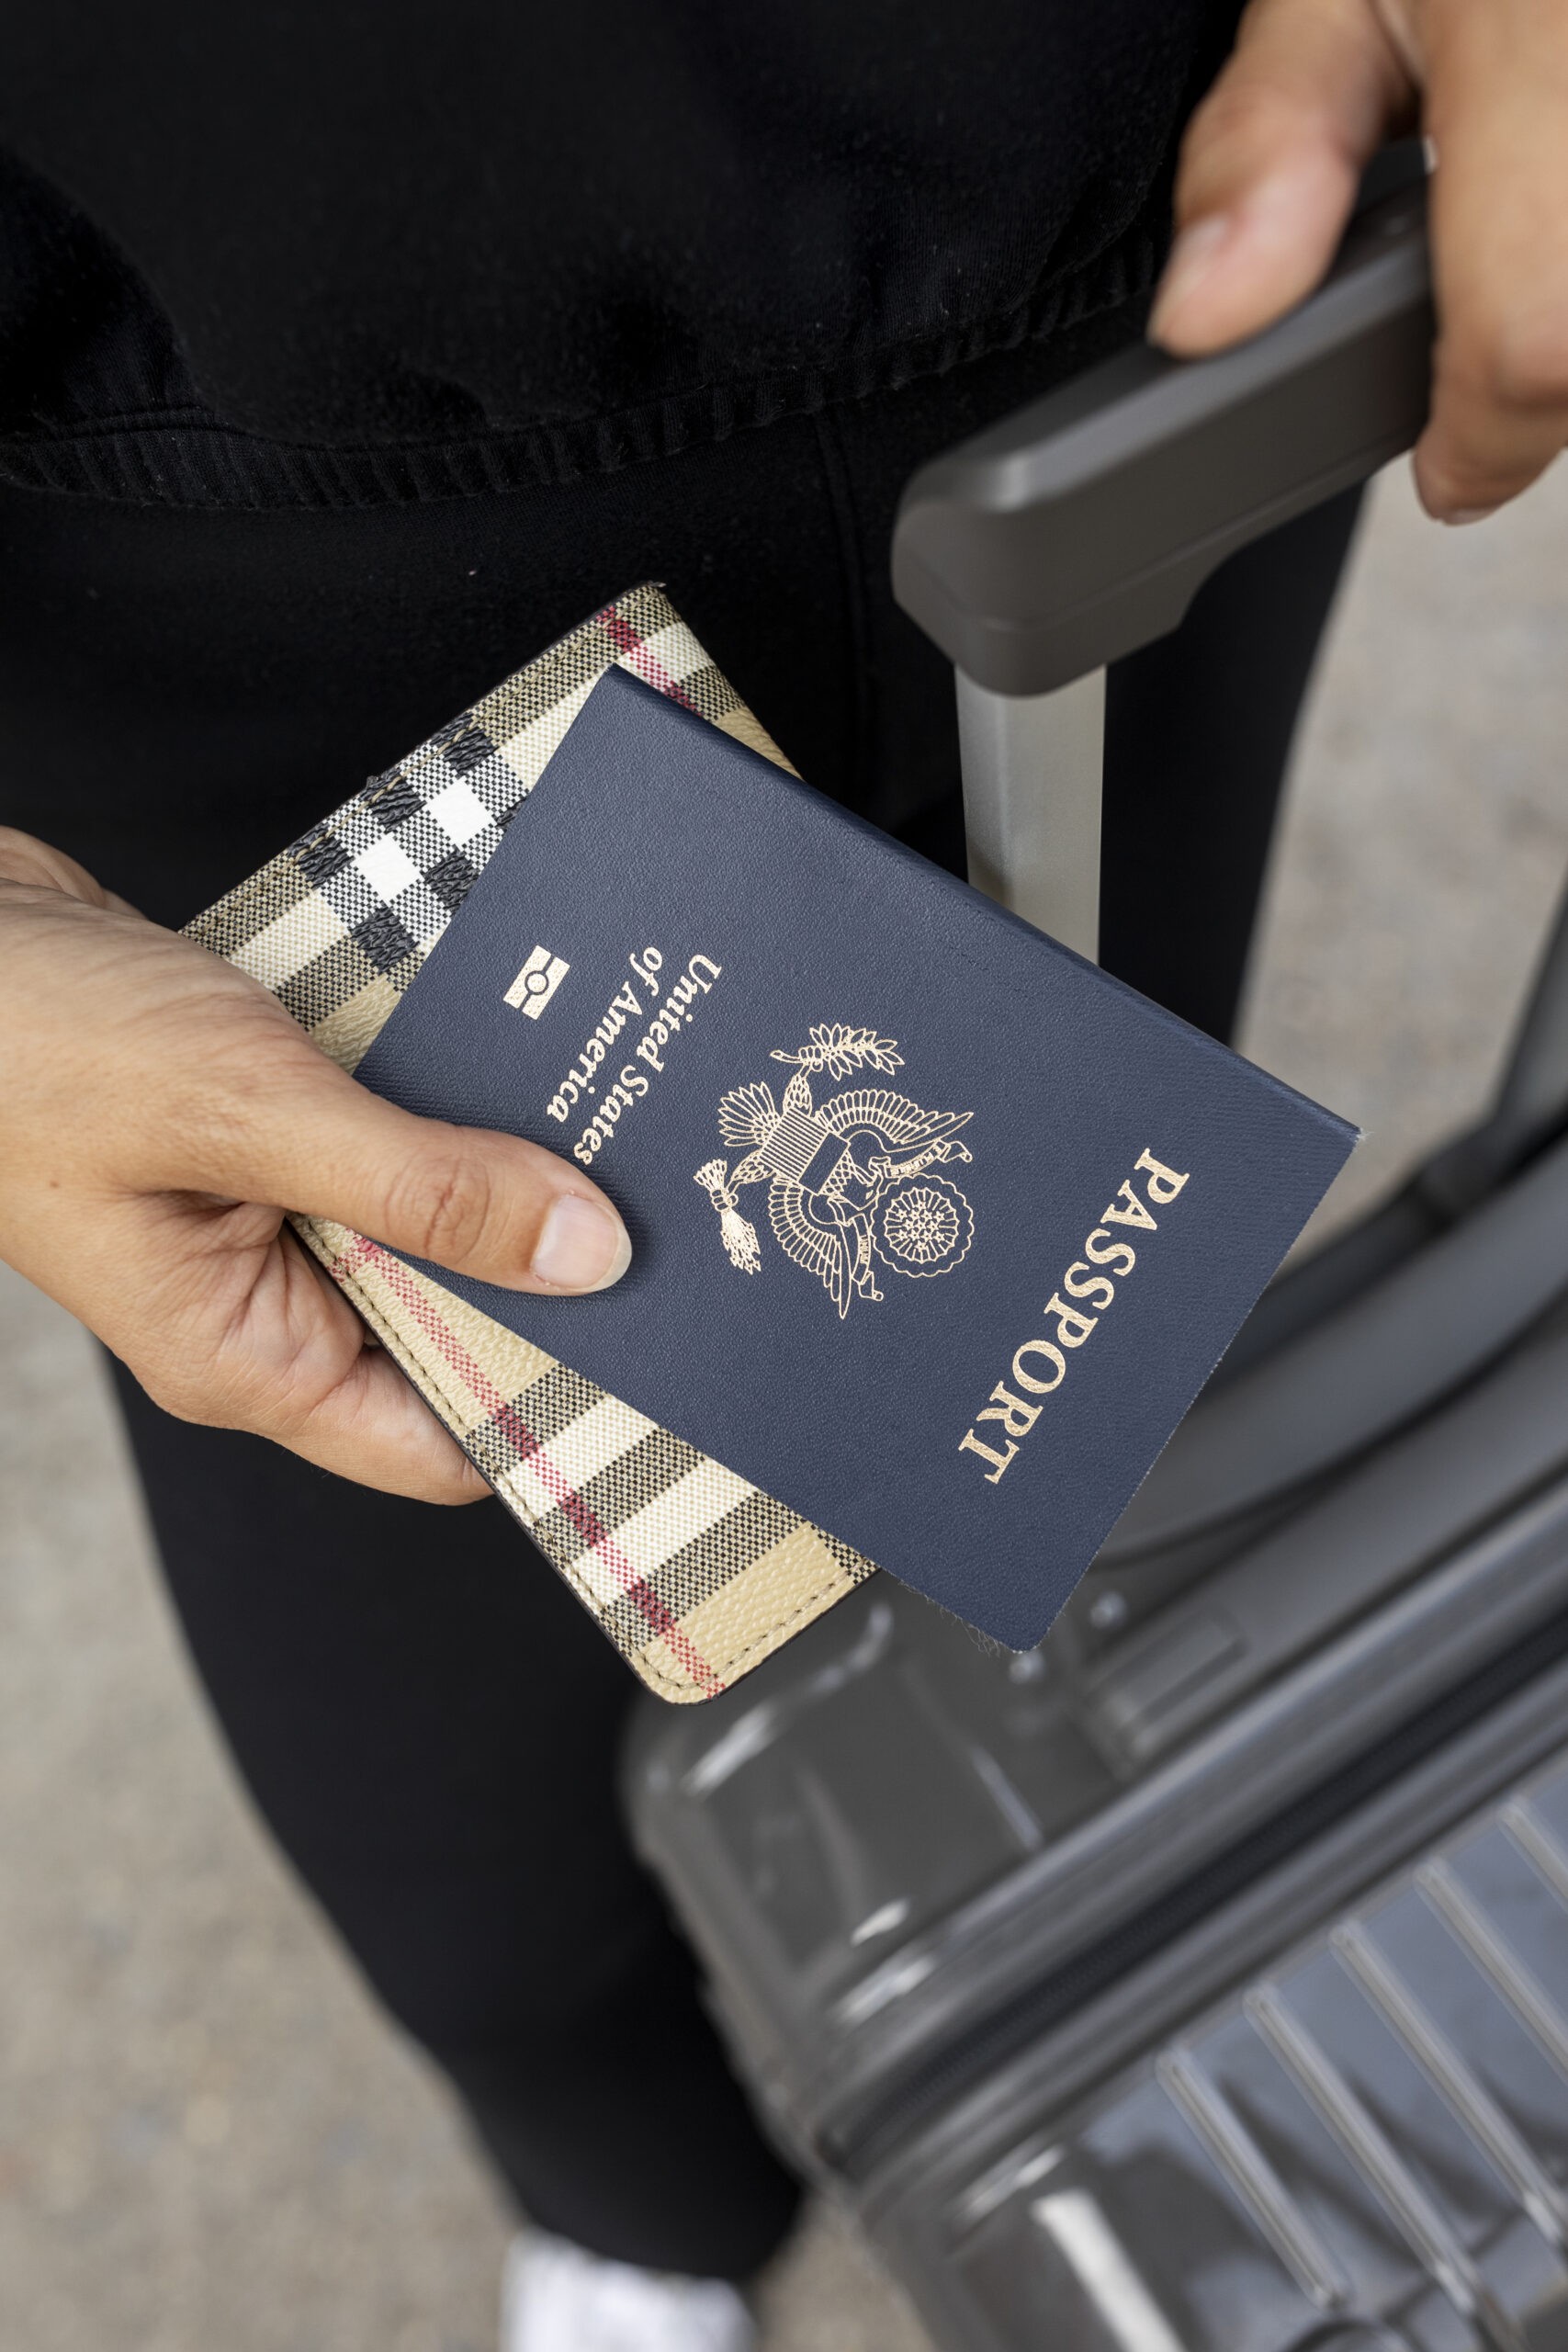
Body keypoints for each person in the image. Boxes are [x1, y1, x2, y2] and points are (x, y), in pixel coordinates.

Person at [2, 3, 1564, 2346]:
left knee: (1090, 1393)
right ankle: (641, 2206)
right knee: (464, 1851)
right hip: (210, 566)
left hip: (1135, 305)